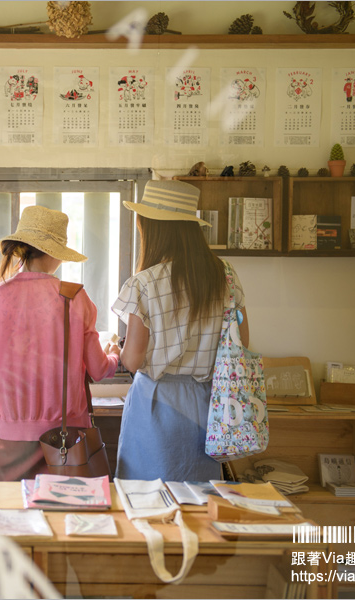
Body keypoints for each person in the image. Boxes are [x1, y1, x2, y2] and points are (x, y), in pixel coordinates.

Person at [111, 180, 250, 482]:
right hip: (207, 402)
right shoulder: (225, 275)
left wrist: (116, 350)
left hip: (156, 402)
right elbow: (242, 345)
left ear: (154, 227)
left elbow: (132, 361)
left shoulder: (144, 283)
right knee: (199, 503)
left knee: (148, 501)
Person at [0, 205, 121, 481]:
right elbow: (100, 370)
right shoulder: (74, 298)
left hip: (9, 440)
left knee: (9, 518)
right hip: (67, 441)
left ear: (21, 249)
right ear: (56, 254)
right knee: (66, 520)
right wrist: (114, 356)